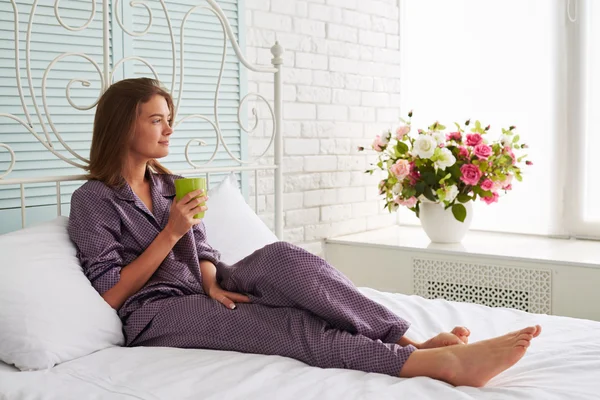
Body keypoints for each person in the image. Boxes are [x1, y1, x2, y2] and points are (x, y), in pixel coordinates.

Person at [68, 78, 541, 387]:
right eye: (156, 119)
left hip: (202, 283)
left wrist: (212, 280)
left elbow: (204, 247)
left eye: (170, 119)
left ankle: (405, 341)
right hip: (158, 313)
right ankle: (435, 365)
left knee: (287, 262)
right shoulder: (93, 199)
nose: (168, 129)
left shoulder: (167, 183)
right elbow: (111, 293)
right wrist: (171, 234)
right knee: (285, 324)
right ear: (121, 124)